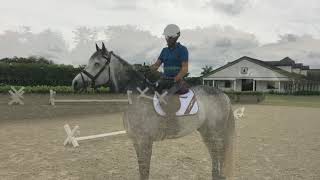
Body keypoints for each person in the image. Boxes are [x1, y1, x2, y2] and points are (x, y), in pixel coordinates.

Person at [150, 24, 189, 95]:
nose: (167, 39)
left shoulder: (182, 50)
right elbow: (156, 65)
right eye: (166, 36)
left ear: (176, 37)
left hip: (177, 82)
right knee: (151, 91)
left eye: (169, 37)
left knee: (167, 96)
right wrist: (146, 69)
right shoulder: (164, 51)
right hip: (165, 80)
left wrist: (175, 79)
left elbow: (185, 69)